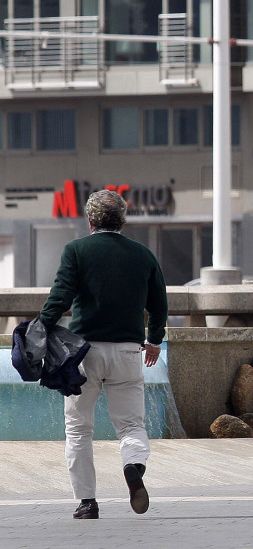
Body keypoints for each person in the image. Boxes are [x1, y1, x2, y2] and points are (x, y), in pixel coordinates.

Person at [39, 189, 168, 520]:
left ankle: (87, 502)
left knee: (79, 428)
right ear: (122, 220)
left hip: (83, 353)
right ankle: (133, 464)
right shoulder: (143, 255)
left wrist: (41, 327)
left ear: (90, 219)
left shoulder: (77, 250)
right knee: (131, 425)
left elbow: (61, 295)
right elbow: (158, 304)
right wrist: (154, 340)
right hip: (127, 351)